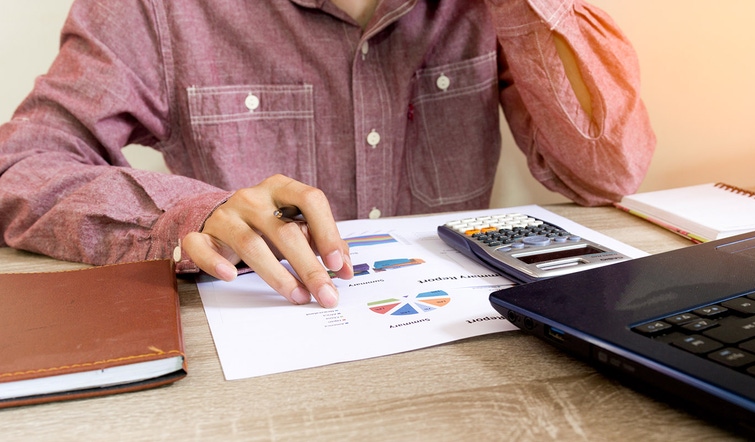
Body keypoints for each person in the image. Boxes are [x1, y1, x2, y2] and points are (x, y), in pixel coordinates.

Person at [0, 0, 655, 308]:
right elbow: (22, 166)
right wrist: (194, 214)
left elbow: (605, 173)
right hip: (258, 365)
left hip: (464, 348)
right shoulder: (155, 8)